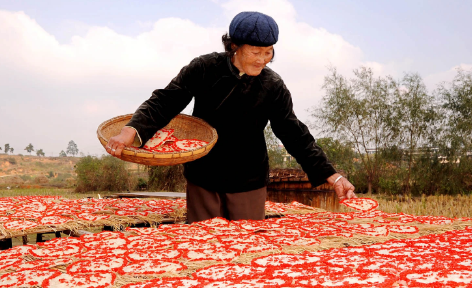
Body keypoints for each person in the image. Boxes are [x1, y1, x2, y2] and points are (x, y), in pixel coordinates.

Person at [107, 11, 356, 222]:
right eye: (255, 52)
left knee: (245, 249)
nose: (262, 60)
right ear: (234, 45)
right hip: (204, 176)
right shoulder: (204, 68)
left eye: (268, 52)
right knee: (204, 246)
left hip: (248, 178)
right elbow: (165, 100)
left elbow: (294, 134)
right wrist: (130, 131)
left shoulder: (273, 85)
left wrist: (332, 176)